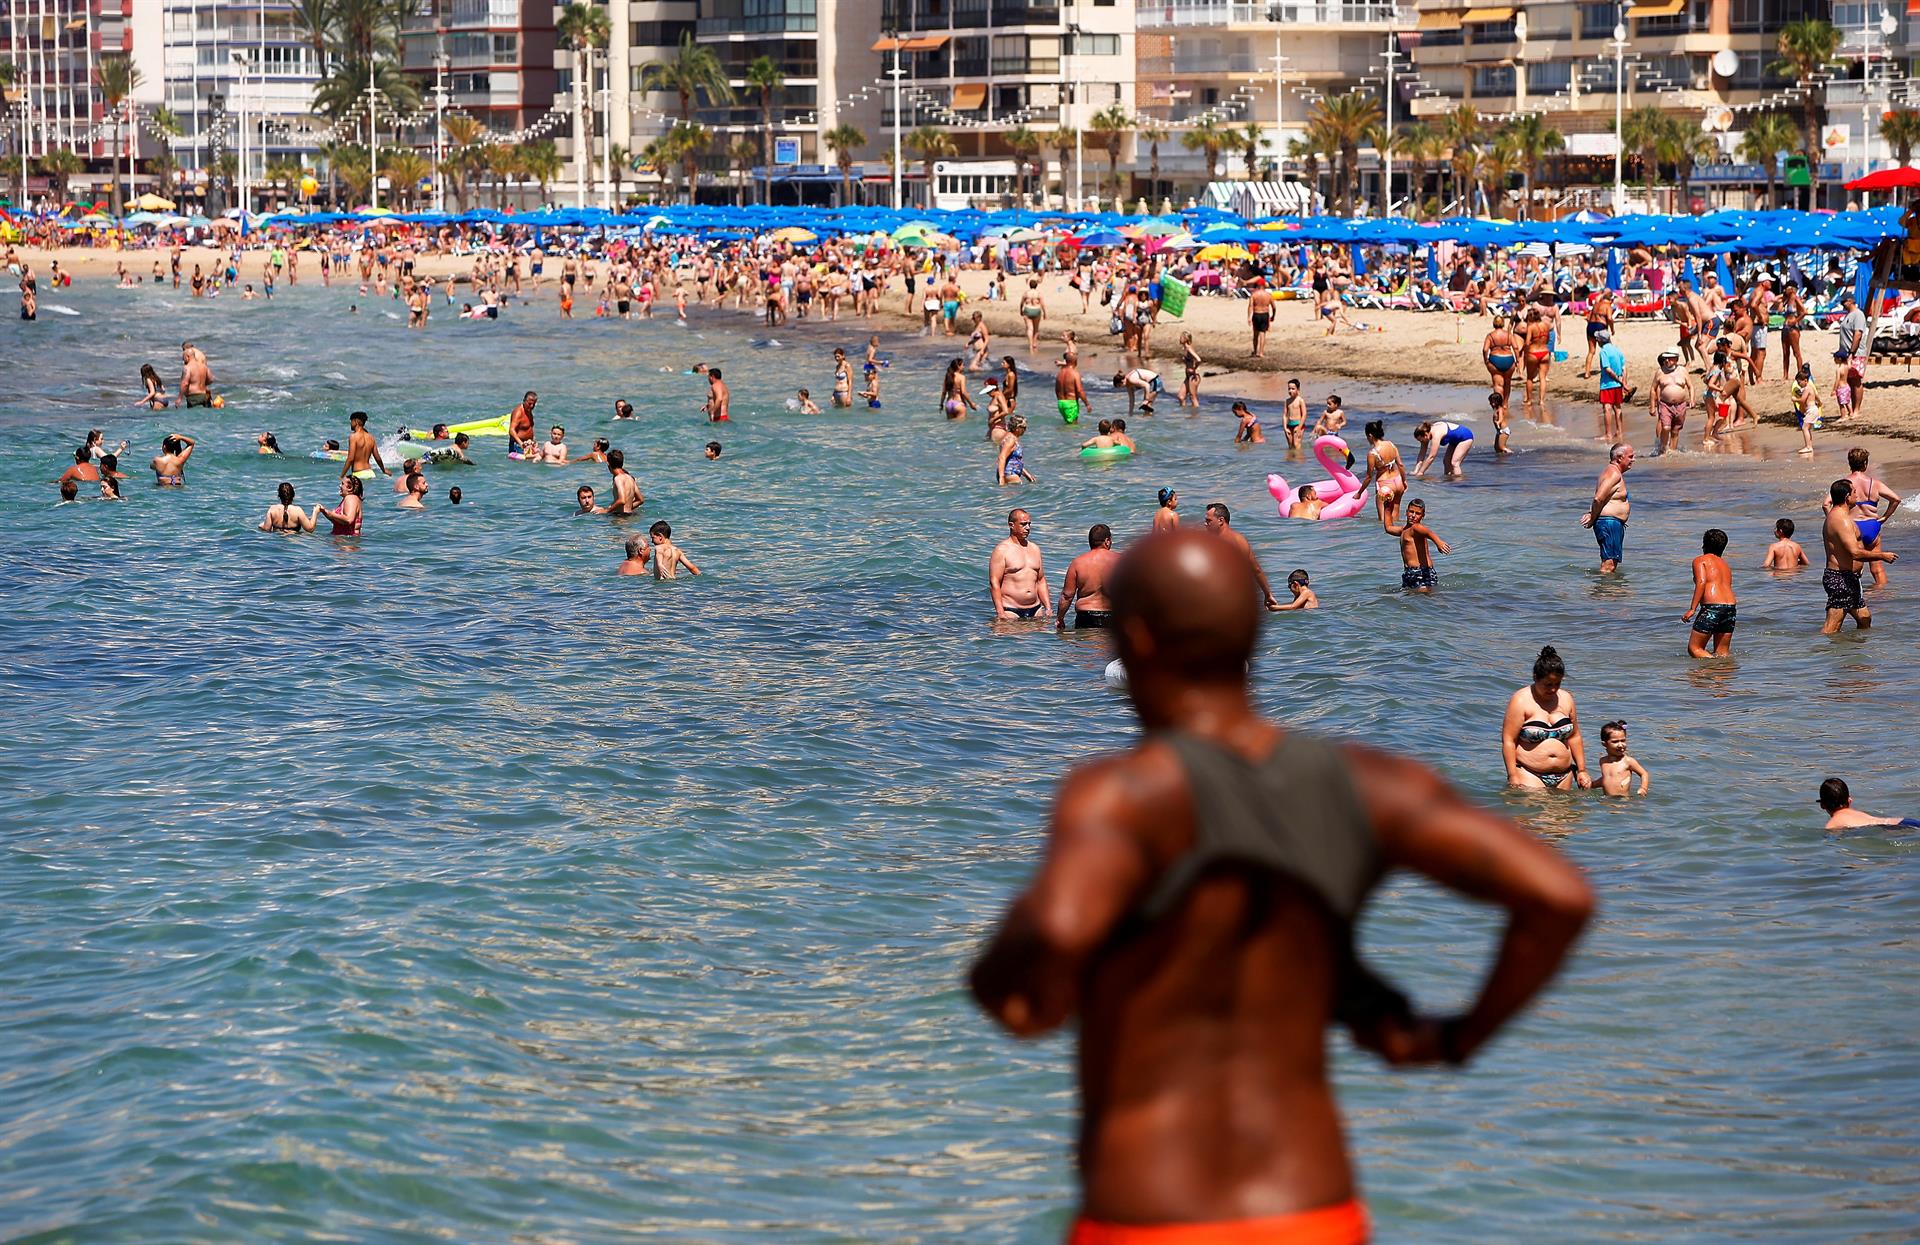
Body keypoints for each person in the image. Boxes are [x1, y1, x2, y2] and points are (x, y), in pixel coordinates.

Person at [969, 529, 1593, 1245]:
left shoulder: (1120, 798)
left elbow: (1030, 970)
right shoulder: (1365, 783)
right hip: (1311, 1209)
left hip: (1152, 1210)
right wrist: (1456, 1034)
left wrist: (1042, 981)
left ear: (1133, 639)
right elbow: (1559, 895)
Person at [1502, 645, 1590, 790]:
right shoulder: (1520, 700)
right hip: (1529, 773)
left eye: (1558, 683)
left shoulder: (1566, 698)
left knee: (1566, 813)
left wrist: (1581, 770)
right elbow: (1509, 740)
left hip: (1565, 775)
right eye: (1548, 684)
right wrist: (1512, 775)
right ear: (1535, 677)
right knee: (1536, 812)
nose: (1553, 689)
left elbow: (1574, 737)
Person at [1822, 477, 1899, 633]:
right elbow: (1854, 553)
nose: (1857, 495)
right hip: (1839, 578)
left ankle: (1853, 653)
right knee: (1831, 628)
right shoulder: (1840, 520)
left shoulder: (1842, 517)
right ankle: (1818, 654)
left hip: (1849, 578)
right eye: (1854, 492)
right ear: (1847, 497)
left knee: (1864, 619)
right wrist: (1881, 555)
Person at [1834, 446, 1903, 587]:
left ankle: (1855, 599)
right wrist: (1885, 517)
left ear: (1849, 463)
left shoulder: (1844, 484)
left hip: (1852, 528)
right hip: (1872, 526)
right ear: (1866, 464)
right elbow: (1896, 499)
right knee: (1877, 570)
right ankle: (1881, 597)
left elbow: (1825, 504)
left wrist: (1836, 521)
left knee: (1853, 569)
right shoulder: (1874, 483)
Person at [1203, 502, 1282, 611]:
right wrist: (1268, 594)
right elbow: (1257, 570)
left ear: (1221, 520)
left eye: (1208, 521)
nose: (1205, 524)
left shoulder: (1220, 543)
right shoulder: (1240, 540)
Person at [1682, 528, 1737, 658]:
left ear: (1704, 545)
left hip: (1712, 607)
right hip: (1730, 607)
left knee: (1694, 648)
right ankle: (1721, 675)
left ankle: (1710, 666)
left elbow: (1701, 582)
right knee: (1722, 653)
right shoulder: (1725, 564)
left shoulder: (1700, 560)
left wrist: (1692, 609)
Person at [1580, 443, 1634, 574]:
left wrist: (1592, 513)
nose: (1633, 460)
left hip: (1610, 523)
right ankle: (1604, 594)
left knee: (1610, 565)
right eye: (1630, 456)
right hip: (1609, 524)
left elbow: (1602, 498)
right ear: (1620, 457)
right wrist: (1592, 517)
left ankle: (1609, 593)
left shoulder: (1611, 472)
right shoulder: (1613, 474)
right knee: (1608, 566)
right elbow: (1598, 498)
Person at [989, 509, 1050, 620]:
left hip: (1036, 609)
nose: (1028, 527)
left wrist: (1048, 608)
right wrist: (1000, 612)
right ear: (1011, 525)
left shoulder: (1035, 549)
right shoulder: (1001, 550)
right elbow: (994, 583)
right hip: (1011, 610)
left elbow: (1041, 580)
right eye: (1023, 524)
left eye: (1029, 524)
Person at [1057, 524, 1120, 630]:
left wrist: (1060, 618)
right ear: (1107, 541)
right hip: (1112, 616)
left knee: (1085, 646)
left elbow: (1067, 596)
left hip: (1085, 617)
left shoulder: (1078, 563)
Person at [1386, 498, 1449, 592]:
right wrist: (1387, 506)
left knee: (1426, 600)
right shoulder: (1404, 530)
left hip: (1421, 572)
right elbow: (1388, 528)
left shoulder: (1416, 527)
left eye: (1418, 513)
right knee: (1412, 601)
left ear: (1422, 516)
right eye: (1411, 512)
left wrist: (1438, 542)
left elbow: (1428, 533)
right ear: (1406, 512)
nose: (1413, 516)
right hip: (1409, 573)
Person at [1818, 777, 1920, 831]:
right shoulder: (1857, 814)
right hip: (1904, 822)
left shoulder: (1832, 825)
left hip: (1892, 830)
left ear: (1822, 805)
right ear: (1849, 800)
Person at [1357, 421, 1408, 528]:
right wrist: (1404, 481)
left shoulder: (1372, 454)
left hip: (1385, 484)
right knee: (1396, 518)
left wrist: (1359, 493)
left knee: (1383, 522)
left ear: (1370, 435)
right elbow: (1401, 465)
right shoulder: (1391, 444)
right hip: (1398, 481)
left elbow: (1368, 477)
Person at [1648, 350, 1691, 456]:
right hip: (1665, 404)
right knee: (1666, 427)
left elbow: (1691, 386)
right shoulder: (1660, 372)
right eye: (1665, 358)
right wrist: (1652, 406)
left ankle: (1672, 452)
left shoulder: (1683, 371)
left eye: (1670, 358)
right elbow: (1653, 389)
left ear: (1676, 359)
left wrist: (1692, 399)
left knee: (1675, 431)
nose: (1667, 360)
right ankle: (1663, 449)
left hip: (1681, 404)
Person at [1596, 721, 1650, 797]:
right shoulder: (1603, 761)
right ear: (1604, 744)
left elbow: (1644, 774)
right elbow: (1606, 778)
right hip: (1606, 800)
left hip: (1623, 802)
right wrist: (1592, 784)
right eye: (1615, 742)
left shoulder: (1628, 761)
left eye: (1623, 740)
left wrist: (1643, 788)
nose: (1620, 745)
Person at [1595, 328, 1629, 443]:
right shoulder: (1617, 350)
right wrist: (1624, 382)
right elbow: (1624, 368)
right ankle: (1619, 431)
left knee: (1607, 408)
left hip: (1607, 384)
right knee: (1618, 408)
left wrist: (1620, 382)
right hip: (1618, 384)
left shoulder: (1603, 351)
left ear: (1600, 341)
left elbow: (1608, 369)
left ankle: (1608, 434)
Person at [342, 411, 389, 480]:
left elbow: (350, 458)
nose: (350, 424)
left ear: (356, 421)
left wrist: (342, 475)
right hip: (370, 473)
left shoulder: (353, 437)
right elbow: (377, 457)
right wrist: (383, 470)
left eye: (351, 421)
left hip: (358, 474)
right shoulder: (371, 437)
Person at [997, 416, 1035, 486]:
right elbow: (1002, 457)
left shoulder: (1010, 437)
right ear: (1017, 428)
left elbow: (1013, 460)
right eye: (1024, 427)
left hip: (1010, 473)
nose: (1025, 430)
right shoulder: (1011, 440)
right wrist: (1001, 478)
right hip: (1010, 474)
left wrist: (1026, 474)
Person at [605, 449, 644, 515]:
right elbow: (640, 500)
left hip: (621, 517)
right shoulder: (630, 478)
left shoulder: (618, 479)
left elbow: (622, 500)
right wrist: (628, 508)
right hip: (630, 514)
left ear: (608, 464)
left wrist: (607, 510)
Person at [1055, 352, 1089, 425]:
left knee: (1067, 425)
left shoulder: (1060, 373)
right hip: (1071, 403)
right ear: (1075, 362)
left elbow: (1056, 390)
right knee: (1072, 428)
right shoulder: (1075, 374)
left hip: (1061, 403)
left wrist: (1060, 401)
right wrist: (1087, 404)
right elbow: (1080, 390)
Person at [179, 342, 215, 407]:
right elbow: (210, 378)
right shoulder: (201, 354)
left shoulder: (192, 356)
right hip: (203, 392)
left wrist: (180, 398)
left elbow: (191, 376)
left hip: (194, 396)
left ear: (185, 348)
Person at [1246, 281, 1274, 358]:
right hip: (1265, 314)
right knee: (1262, 333)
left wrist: (1249, 317)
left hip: (1256, 314)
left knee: (1255, 334)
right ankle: (1261, 352)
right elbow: (1274, 307)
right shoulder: (1268, 295)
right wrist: (1273, 316)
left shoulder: (1254, 295)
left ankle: (1255, 351)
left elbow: (1250, 306)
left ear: (1258, 286)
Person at [1282, 378, 1308, 451]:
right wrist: (1285, 427)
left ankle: (1298, 460)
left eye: (1293, 389)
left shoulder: (1300, 400)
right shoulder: (1287, 401)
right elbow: (1285, 415)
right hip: (1289, 425)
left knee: (1296, 445)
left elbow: (1304, 414)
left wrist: (1299, 427)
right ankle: (1291, 461)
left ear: (1298, 389)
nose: (1290, 391)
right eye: (1289, 389)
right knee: (1291, 446)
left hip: (1298, 424)